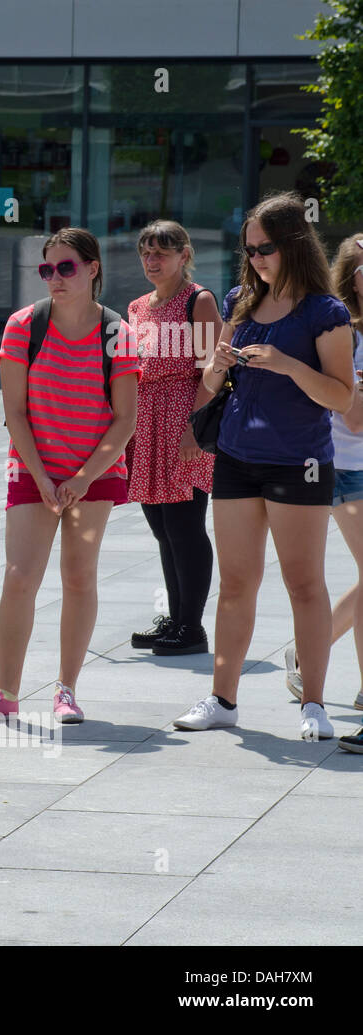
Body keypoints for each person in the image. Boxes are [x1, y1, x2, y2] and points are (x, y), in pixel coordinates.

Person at [173, 193, 354, 740]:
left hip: (298, 459)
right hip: (236, 456)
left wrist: (287, 365)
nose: (256, 259)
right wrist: (215, 365)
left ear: (294, 245)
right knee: (235, 585)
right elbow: (209, 385)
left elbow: (342, 398)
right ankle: (222, 698)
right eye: (249, 250)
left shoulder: (326, 311)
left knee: (304, 584)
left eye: (265, 248)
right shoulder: (241, 301)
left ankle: (315, 705)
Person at [0, 227, 140, 726]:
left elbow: (125, 418)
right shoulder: (24, 325)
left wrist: (82, 478)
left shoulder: (116, 331)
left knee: (79, 576)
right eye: (47, 270)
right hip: (32, 467)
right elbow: (14, 413)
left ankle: (66, 691)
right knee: (20, 578)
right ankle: (6, 692)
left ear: (93, 268)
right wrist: (41, 477)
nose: (55, 279)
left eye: (67, 268)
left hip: (96, 473)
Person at [281, 234, 363, 752]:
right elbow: (352, 419)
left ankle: (303, 654)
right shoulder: (345, 333)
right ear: (352, 275)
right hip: (346, 470)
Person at [126, 220, 221, 655]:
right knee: (161, 527)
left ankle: (192, 626)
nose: (152, 260)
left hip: (183, 418)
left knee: (185, 526)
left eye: (162, 252)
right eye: (146, 252)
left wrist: (192, 427)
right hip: (145, 422)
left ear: (184, 255)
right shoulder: (137, 307)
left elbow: (213, 371)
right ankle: (177, 617)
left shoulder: (198, 301)